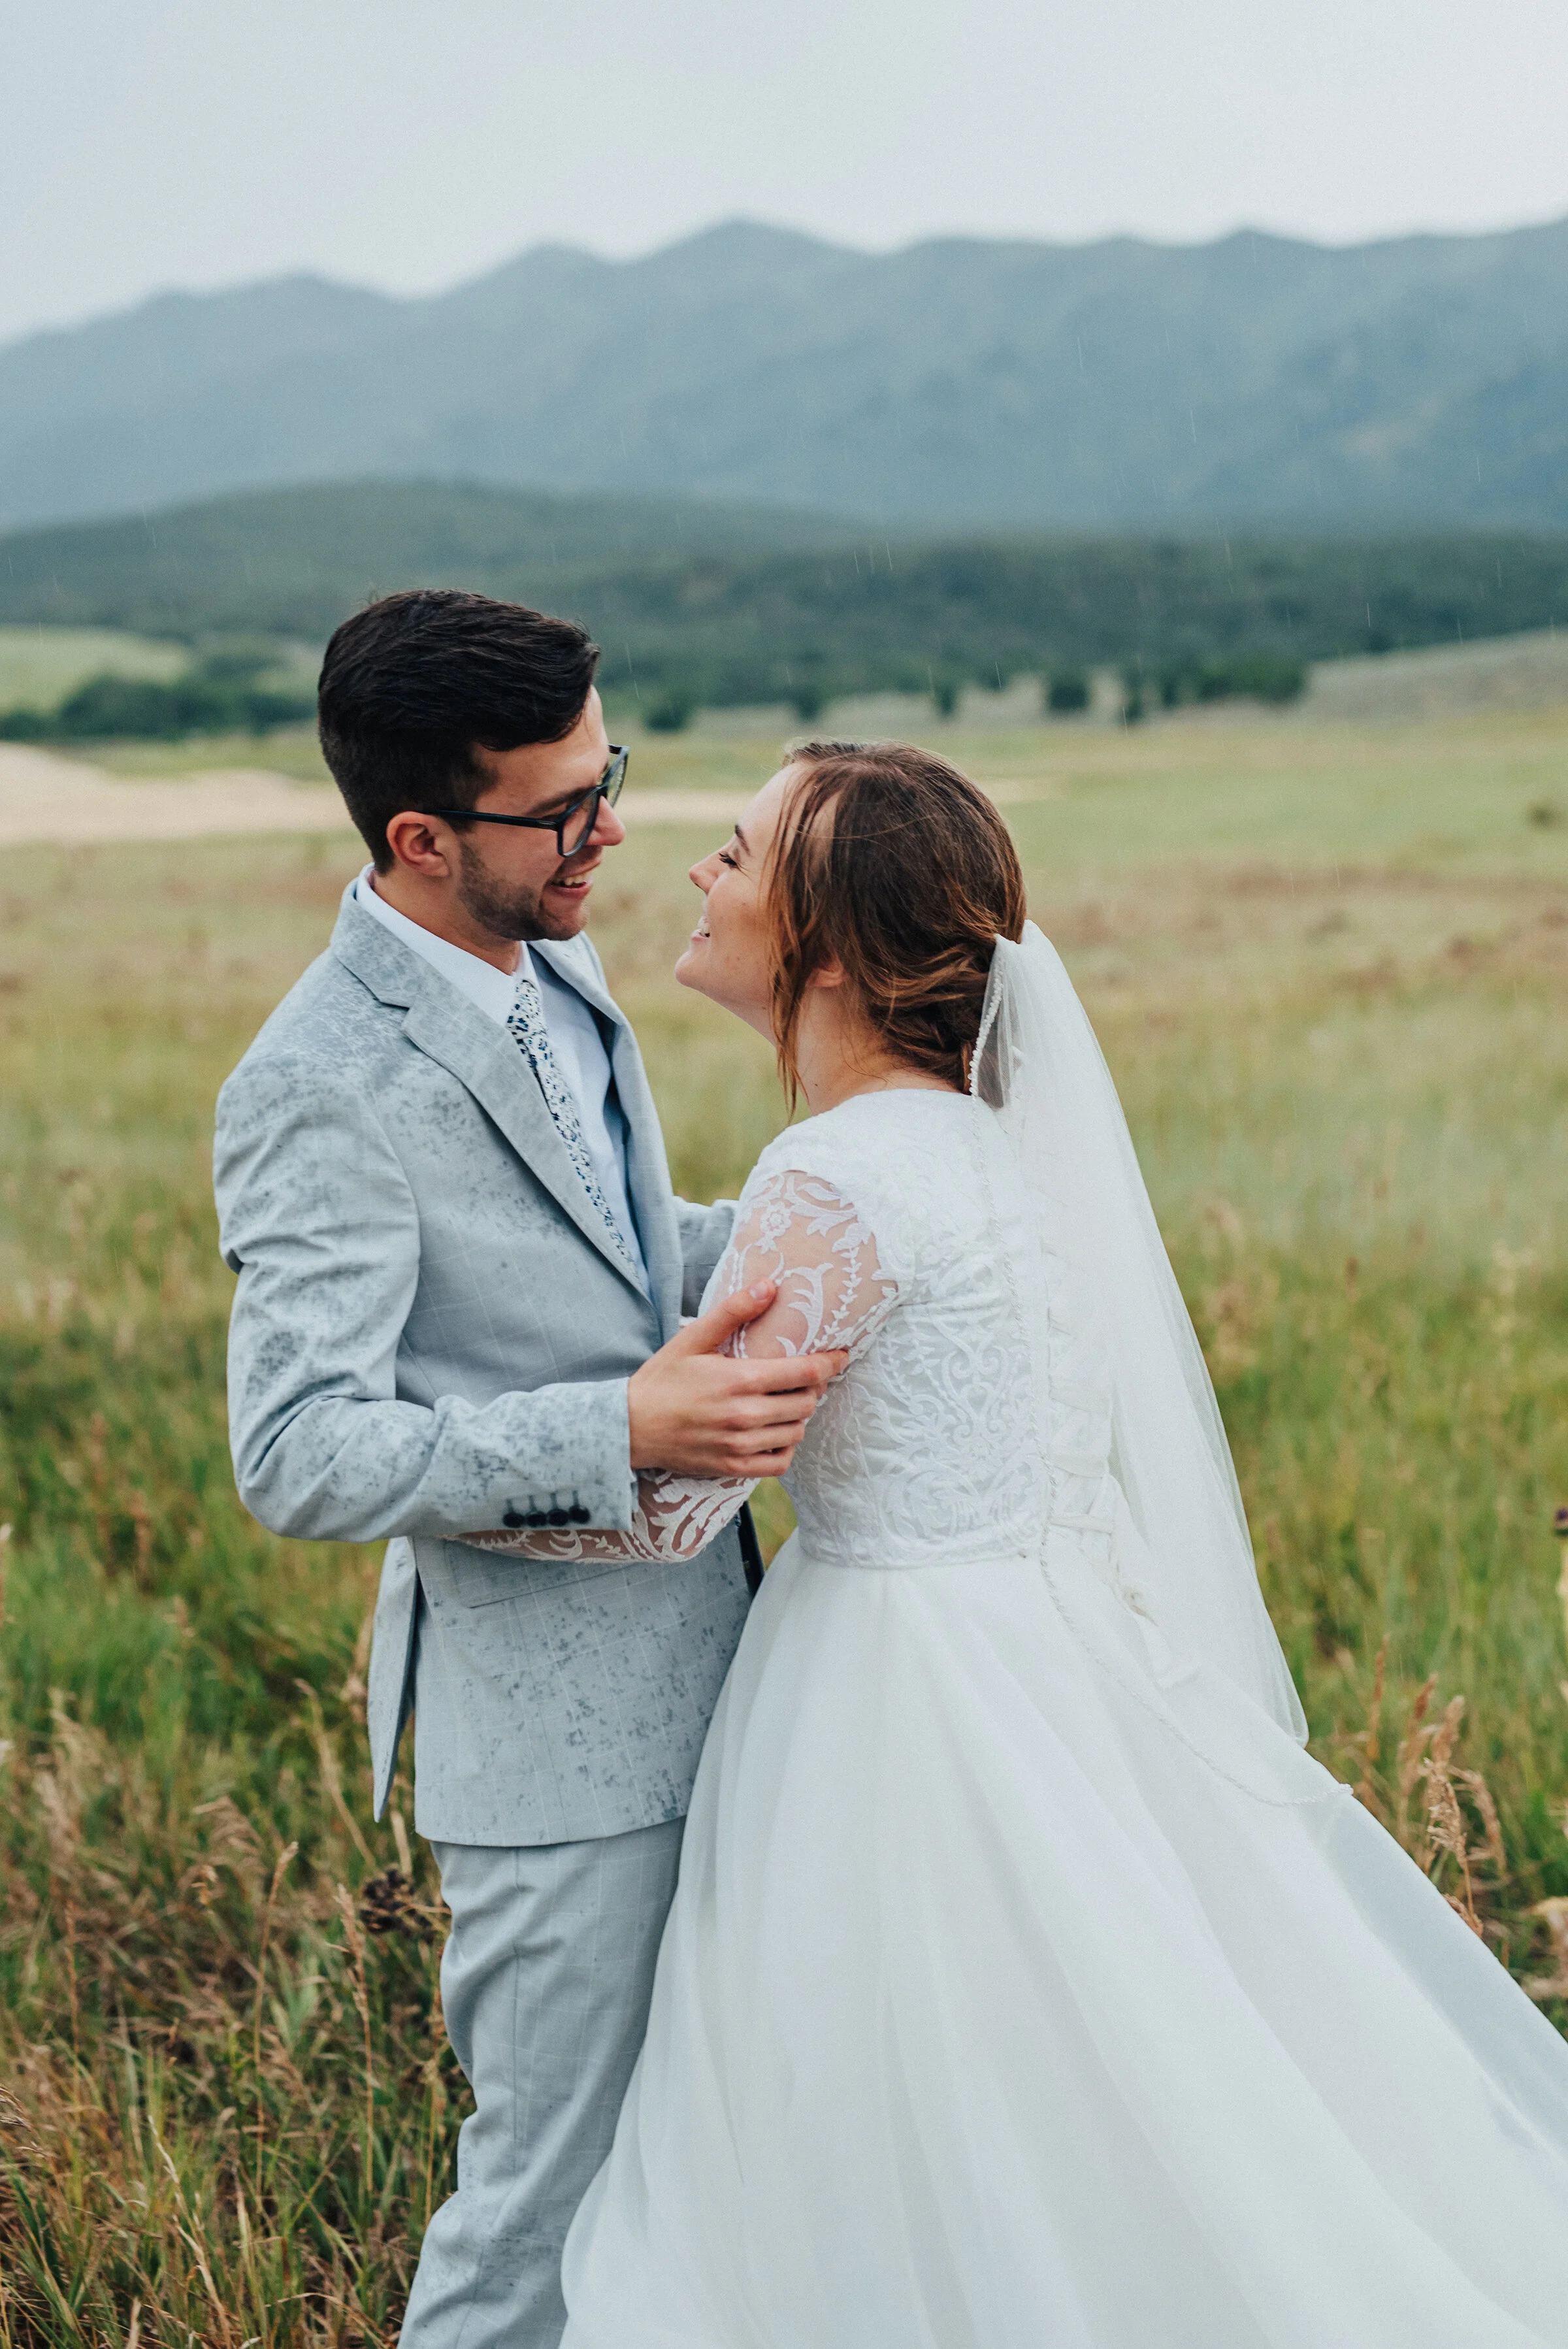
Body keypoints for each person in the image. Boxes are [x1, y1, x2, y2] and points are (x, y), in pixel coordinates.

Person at [485, 739, 1568, 2346]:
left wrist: (453, 1501)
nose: (699, 873)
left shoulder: (836, 1177)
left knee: (897, 2112)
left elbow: (678, 1508)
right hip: (1060, 1664)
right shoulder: (998, 1153)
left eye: (737, 852)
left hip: (900, 1710)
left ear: (829, 947)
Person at [212, 590, 844, 2349]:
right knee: (544, 2202)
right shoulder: (316, 1087)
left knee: (711, 2158)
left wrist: (863, 1206)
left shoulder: (557, 968)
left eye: (607, 773)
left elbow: (636, 1258)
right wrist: (615, 1433)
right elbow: (296, 1450)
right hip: (553, 1744)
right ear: (421, 837)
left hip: (739, 1659)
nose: (614, 828)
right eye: (565, 806)